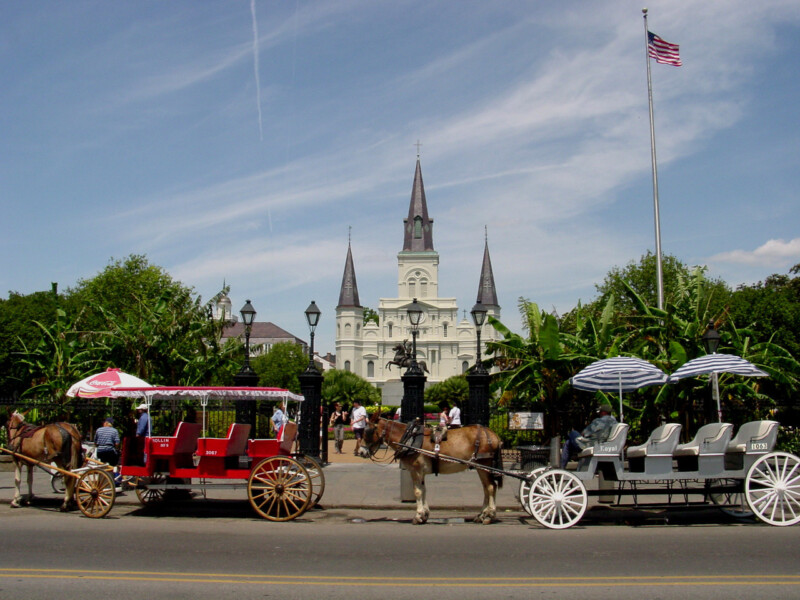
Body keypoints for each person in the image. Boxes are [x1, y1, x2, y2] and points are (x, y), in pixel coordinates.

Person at [560, 404, 618, 468]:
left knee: (572, 433)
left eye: (600, 412)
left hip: (591, 444)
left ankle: (561, 467)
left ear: (603, 412)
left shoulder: (598, 421)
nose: (599, 414)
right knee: (568, 442)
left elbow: (584, 433)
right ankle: (562, 467)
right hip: (604, 444)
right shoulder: (615, 422)